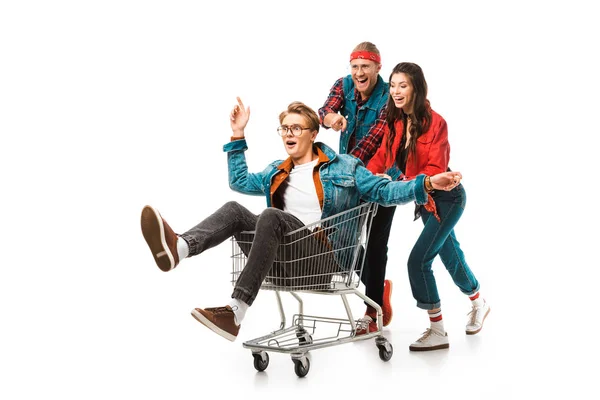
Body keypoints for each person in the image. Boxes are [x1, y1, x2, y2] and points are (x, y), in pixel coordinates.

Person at [141, 97, 463, 342]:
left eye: (296, 128)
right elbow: (239, 181)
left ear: (312, 133)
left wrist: (426, 183)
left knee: (271, 216)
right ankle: (179, 247)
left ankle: (235, 313)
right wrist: (237, 135)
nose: (289, 134)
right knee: (234, 209)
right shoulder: (276, 172)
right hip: (281, 261)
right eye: (284, 129)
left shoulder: (345, 168)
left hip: (323, 261)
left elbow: (386, 190)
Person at [367, 62, 490, 351]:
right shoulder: (395, 122)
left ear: (416, 88)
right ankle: (479, 302)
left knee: (418, 261)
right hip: (425, 201)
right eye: (393, 85)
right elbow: (382, 156)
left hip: (447, 198)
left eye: (403, 85)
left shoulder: (436, 122)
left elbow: (435, 169)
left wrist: (407, 181)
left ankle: (437, 330)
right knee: (451, 256)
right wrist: (367, 176)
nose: (396, 91)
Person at [318, 41, 395, 333]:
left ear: (378, 67)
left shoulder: (389, 96)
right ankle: (378, 286)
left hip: (383, 178)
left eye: (365, 67)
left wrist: (343, 168)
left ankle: (371, 311)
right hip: (349, 174)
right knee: (339, 234)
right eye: (355, 67)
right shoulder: (344, 85)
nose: (359, 73)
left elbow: (373, 141)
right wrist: (332, 118)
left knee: (375, 243)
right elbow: (324, 110)